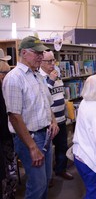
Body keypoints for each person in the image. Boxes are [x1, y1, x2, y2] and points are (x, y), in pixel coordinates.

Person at [2, 36, 59, 199]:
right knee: (37, 184)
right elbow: (14, 116)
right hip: (31, 138)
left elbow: (46, 103)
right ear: (24, 53)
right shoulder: (14, 78)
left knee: (46, 179)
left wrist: (53, 120)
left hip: (45, 135)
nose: (41, 57)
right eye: (37, 53)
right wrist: (32, 147)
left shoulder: (37, 76)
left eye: (42, 53)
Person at [39, 51, 73, 180]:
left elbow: (60, 93)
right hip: (48, 121)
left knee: (62, 146)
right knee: (46, 150)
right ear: (41, 62)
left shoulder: (56, 75)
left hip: (61, 119)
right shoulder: (39, 77)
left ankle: (60, 169)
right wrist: (51, 81)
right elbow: (42, 97)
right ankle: (48, 177)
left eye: (54, 60)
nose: (53, 63)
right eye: (49, 61)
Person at [0, 51, 17, 199]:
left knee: (9, 170)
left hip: (8, 136)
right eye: (5, 72)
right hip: (4, 136)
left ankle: (9, 191)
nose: (7, 75)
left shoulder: (6, 87)